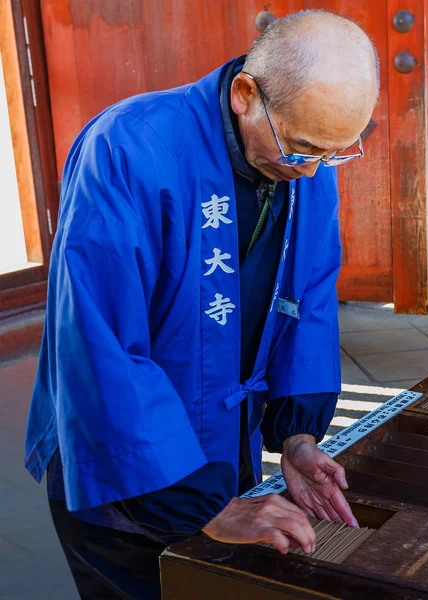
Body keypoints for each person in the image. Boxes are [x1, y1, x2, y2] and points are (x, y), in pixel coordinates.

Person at [24, 8, 379, 599]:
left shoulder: (308, 159)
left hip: (219, 444)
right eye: (302, 149)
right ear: (245, 94)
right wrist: (199, 503)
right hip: (124, 459)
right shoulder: (129, 149)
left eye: (335, 154)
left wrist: (297, 434)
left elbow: (309, 298)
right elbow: (98, 341)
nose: (313, 170)